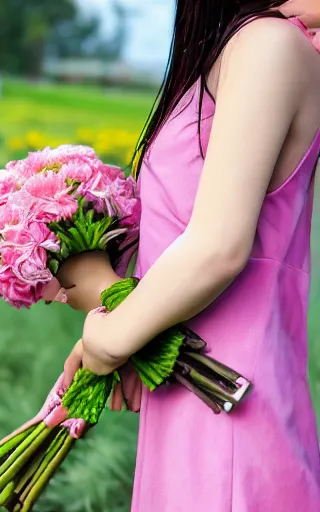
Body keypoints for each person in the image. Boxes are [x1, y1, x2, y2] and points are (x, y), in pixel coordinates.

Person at [56, 0, 320, 510]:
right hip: (201, 387)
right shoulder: (260, 44)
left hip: (228, 401)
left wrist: (110, 337)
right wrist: (128, 328)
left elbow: (217, 247)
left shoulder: (267, 44)